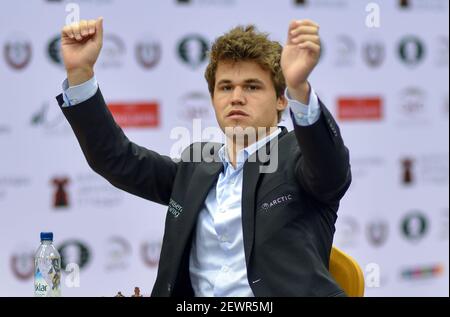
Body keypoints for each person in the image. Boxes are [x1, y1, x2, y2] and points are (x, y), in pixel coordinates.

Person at [57, 17, 351, 297]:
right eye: (225, 87)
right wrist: (81, 74)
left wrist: (300, 88)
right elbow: (116, 159)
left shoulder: (300, 157)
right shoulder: (196, 165)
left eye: (252, 86)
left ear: (280, 99)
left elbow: (330, 170)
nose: (236, 97)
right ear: (213, 99)